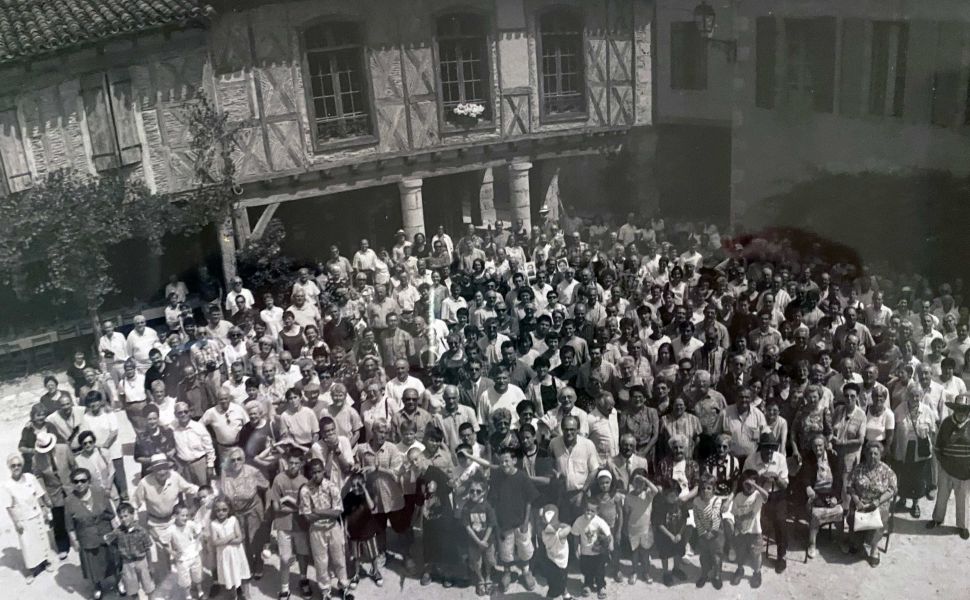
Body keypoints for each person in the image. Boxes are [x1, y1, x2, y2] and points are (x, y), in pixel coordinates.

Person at [1, 453, 54, 584]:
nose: (16, 467)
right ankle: (32, 570)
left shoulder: (30, 477)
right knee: (28, 545)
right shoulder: (7, 485)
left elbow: (40, 493)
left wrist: (46, 507)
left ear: (22, 465)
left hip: (36, 515)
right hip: (23, 519)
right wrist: (16, 522)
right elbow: (9, 506)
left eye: (19, 465)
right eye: (13, 466)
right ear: (9, 467)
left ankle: (46, 563)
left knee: (41, 540)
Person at [64, 467, 116, 600]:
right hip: (86, 537)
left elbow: (111, 514)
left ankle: (118, 581)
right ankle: (97, 586)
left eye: (83, 480)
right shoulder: (69, 501)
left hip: (105, 532)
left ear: (89, 481)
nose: (79, 484)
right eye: (76, 482)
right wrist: (74, 541)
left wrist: (116, 531)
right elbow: (69, 526)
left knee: (113, 559)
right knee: (93, 565)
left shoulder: (99, 492)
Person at [219, 446, 270, 579]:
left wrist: (268, 506)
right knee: (242, 540)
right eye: (233, 460)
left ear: (244, 460)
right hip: (236, 511)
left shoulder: (253, 472)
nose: (236, 463)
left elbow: (266, 486)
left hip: (253, 508)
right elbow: (224, 494)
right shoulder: (226, 472)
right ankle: (248, 564)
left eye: (239, 459)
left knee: (254, 539)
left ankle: (259, 562)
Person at [300, 457, 348, 598]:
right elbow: (307, 516)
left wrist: (319, 511)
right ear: (309, 473)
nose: (316, 475)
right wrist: (328, 512)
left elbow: (338, 512)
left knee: (339, 559)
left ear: (323, 471)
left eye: (319, 471)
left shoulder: (332, 487)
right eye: (313, 472)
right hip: (316, 531)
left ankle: (343, 586)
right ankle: (325, 591)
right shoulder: (305, 490)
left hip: (333, 528)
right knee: (321, 562)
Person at [846, 441, 898, 566]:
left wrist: (877, 501)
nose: (872, 456)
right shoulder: (859, 468)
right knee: (854, 515)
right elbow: (850, 486)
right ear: (866, 454)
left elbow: (892, 490)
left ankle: (874, 549)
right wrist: (857, 500)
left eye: (876, 453)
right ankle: (857, 541)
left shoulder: (887, 471)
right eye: (870, 453)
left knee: (878, 518)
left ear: (880, 455)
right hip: (860, 502)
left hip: (878, 504)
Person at [743, 432, 789, 572]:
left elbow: (785, 485)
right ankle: (752, 553)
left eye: (772, 447)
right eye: (766, 447)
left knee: (781, 521)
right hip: (756, 495)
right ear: (760, 448)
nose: (769, 451)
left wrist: (776, 478)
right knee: (752, 520)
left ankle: (781, 556)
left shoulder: (780, 459)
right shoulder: (751, 460)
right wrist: (761, 479)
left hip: (776, 495)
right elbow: (745, 484)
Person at [891, 381, 937, 518]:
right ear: (907, 395)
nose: (915, 399)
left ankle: (915, 504)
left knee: (917, 478)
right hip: (903, 448)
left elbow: (933, 432)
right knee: (903, 475)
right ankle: (903, 500)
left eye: (918, 396)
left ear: (921, 396)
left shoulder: (927, 411)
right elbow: (893, 431)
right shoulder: (899, 409)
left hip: (920, 450)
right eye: (912, 395)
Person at [928, 393, 970, 539]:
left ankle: (962, 526)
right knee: (941, 496)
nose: (961, 412)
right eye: (958, 409)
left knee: (962, 499)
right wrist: (942, 463)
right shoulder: (946, 423)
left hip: (965, 472)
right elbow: (938, 445)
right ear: (954, 410)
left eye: (964, 409)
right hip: (946, 468)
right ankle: (937, 519)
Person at [31, 431, 75, 559]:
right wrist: (45, 497)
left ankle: (79, 539)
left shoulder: (64, 449)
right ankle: (63, 547)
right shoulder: (36, 459)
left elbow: (74, 467)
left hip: (70, 487)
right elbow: (38, 479)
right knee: (58, 521)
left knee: (76, 514)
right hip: (53, 493)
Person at [104, 502, 156, 600]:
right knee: (132, 590)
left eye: (126, 516)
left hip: (141, 562)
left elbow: (148, 549)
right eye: (121, 517)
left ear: (133, 515)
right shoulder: (117, 532)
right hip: (127, 564)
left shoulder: (141, 531)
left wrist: (150, 565)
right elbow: (108, 541)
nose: (124, 519)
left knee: (148, 587)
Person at [343, 472, 383, 592]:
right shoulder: (349, 497)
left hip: (368, 530)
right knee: (356, 556)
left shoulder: (369, 493)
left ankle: (375, 571)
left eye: (358, 485)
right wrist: (345, 528)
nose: (355, 488)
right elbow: (346, 514)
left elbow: (371, 507)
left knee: (373, 554)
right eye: (353, 485)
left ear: (363, 484)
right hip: (354, 530)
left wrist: (364, 490)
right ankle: (356, 574)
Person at [730, 470, 769, 587]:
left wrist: (755, 485)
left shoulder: (757, 495)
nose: (749, 487)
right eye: (747, 484)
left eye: (753, 484)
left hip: (755, 531)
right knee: (740, 552)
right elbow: (735, 513)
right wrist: (737, 523)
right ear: (742, 484)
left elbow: (766, 495)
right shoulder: (738, 497)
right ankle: (740, 569)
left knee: (756, 554)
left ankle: (757, 573)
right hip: (741, 531)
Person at [210, 495, 253, 599]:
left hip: (236, 553)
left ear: (229, 509)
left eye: (224, 510)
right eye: (218, 510)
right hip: (224, 555)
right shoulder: (214, 524)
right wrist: (230, 536)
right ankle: (233, 595)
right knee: (228, 574)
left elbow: (239, 539)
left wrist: (223, 540)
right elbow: (215, 542)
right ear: (214, 511)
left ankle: (242, 593)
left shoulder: (233, 520)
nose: (221, 512)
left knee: (239, 572)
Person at [461, 478, 497, 597]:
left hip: (488, 542)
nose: (474, 494)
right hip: (473, 542)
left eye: (478, 491)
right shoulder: (466, 507)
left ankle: (488, 576)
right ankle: (480, 579)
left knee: (489, 560)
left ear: (484, 492)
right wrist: (478, 542)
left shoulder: (487, 506)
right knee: (476, 562)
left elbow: (491, 525)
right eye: (472, 491)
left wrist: (484, 541)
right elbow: (467, 527)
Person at [691, 474, 728, 589]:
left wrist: (712, 532)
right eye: (703, 488)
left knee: (716, 556)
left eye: (709, 488)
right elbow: (696, 518)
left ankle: (717, 575)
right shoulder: (696, 501)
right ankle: (704, 574)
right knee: (704, 556)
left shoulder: (716, 500)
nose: (705, 491)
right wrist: (703, 532)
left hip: (716, 533)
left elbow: (716, 517)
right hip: (703, 533)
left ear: (713, 489)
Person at [572, 498, 613, 600]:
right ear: (583, 509)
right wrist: (576, 548)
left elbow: (608, 534)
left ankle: (601, 586)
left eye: (592, 510)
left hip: (598, 552)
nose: (589, 512)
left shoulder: (599, 521)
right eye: (587, 509)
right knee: (587, 570)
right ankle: (587, 584)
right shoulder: (579, 521)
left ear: (597, 511)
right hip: (585, 552)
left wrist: (610, 545)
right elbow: (576, 536)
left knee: (599, 570)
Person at [622, 468, 658, 584]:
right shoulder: (628, 497)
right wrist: (625, 528)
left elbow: (656, 490)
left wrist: (645, 479)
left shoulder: (648, 494)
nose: (638, 484)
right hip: (632, 529)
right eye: (636, 481)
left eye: (641, 482)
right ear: (632, 482)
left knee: (645, 553)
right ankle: (634, 572)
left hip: (646, 529)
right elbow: (626, 514)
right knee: (634, 553)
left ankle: (646, 572)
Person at [651, 480, 688, 587]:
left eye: (676, 495)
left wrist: (680, 534)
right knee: (665, 554)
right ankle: (666, 573)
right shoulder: (660, 505)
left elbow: (685, 520)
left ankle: (676, 569)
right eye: (671, 496)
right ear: (665, 495)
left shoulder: (681, 504)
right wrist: (671, 536)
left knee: (678, 552)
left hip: (678, 534)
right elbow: (659, 524)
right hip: (664, 536)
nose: (674, 498)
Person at [169, 503, 206, 600]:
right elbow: (163, 542)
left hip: (194, 555)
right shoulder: (171, 529)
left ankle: (200, 590)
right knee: (185, 580)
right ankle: (188, 595)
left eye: (187, 515)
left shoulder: (190, 524)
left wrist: (197, 539)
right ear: (175, 516)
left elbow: (200, 530)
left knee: (197, 575)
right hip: (182, 559)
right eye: (182, 515)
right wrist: (171, 552)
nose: (185, 518)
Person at [538, 503, 570, 600]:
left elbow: (543, 521)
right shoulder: (561, 533)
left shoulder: (543, 531)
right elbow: (568, 527)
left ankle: (565, 593)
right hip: (561, 561)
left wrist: (542, 514)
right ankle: (553, 596)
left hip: (551, 558)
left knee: (555, 579)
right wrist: (559, 524)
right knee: (557, 584)